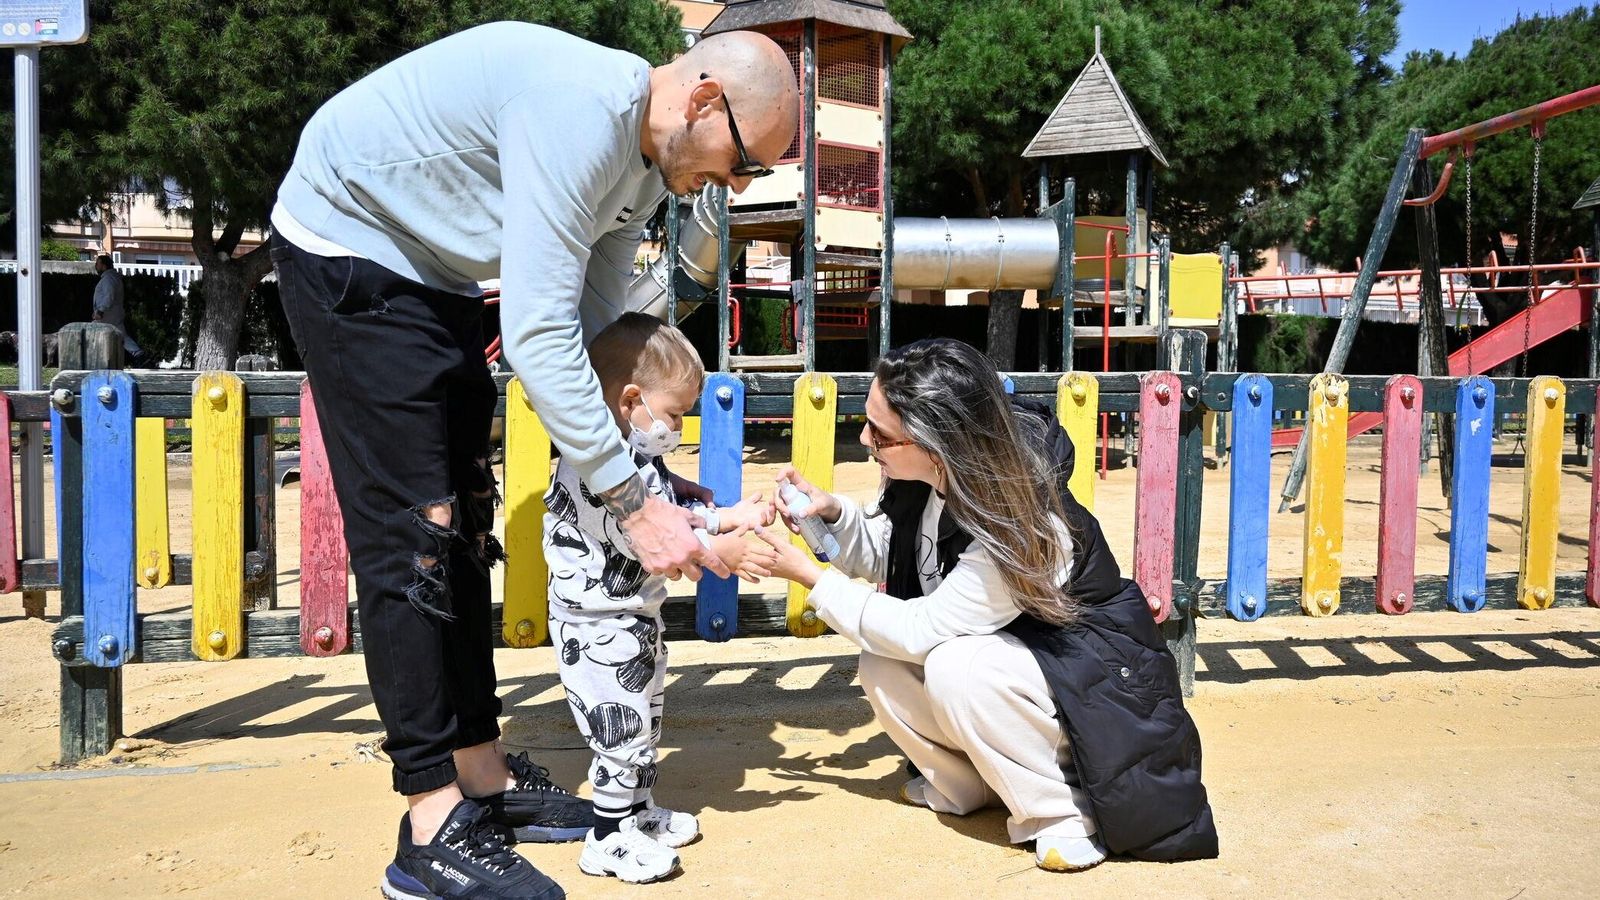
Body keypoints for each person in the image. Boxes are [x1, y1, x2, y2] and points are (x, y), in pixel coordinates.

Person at [269, 21, 799, 900]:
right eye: (743, 163)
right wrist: (633, 505)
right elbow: (537, 334)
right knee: (413, 534)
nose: (735, 188)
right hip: (349, 244)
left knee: (465, 525)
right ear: (703, 100)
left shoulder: (645, 163)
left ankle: (482, 774)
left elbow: (593, 334)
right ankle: (431, 825)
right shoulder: (580, 117)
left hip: (431, 267)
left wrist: (645, 472)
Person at [754, 338, 1219, 872]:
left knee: (956, 663)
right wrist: (833, 515)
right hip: (1029, 676)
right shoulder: (935, 481)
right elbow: (900, 558)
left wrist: (811, 579)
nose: (865, 439)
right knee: (881, 662)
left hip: (1095, 694)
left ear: (934, 443)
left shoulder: (1026, 521)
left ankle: (1062, 813)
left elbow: (922, 628)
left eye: (879, 433)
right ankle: (968, 787)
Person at [542, 313, 777, 883]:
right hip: (597, 625)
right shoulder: (598, 471)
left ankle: (638, 815)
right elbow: (655, 535)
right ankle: (606, 835)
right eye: (673, 413)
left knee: (646, 718)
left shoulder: (637, 462)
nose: (677, 426)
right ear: (630, 401)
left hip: (634, 616)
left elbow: (671, 510)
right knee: (618, 728)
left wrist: (725, 515)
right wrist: (725, 544)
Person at [92, 254, 143, 360]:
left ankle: (97, 359)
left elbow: (108, 296)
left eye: (97, 263)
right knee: (121, 335)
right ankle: (137, 353)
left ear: (104, 266)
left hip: (108, 314)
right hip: (114, 313)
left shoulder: (108, 279)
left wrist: (100, 311)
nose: (96, 266)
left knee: (92, 332)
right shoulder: (113, 277)